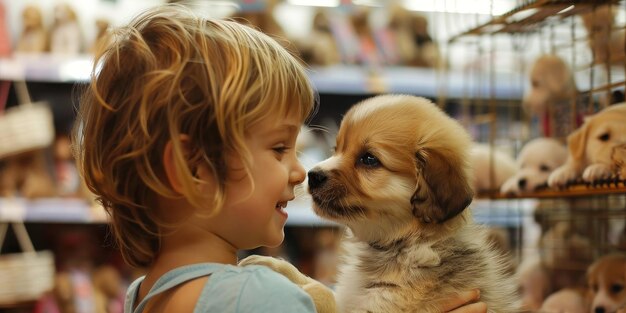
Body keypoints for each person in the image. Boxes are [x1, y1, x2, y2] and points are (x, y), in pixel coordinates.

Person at [73, 5, 488, 313]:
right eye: (278, 149)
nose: (299, 169)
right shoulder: (260, 299)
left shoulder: (144, 294)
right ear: (193, 167)